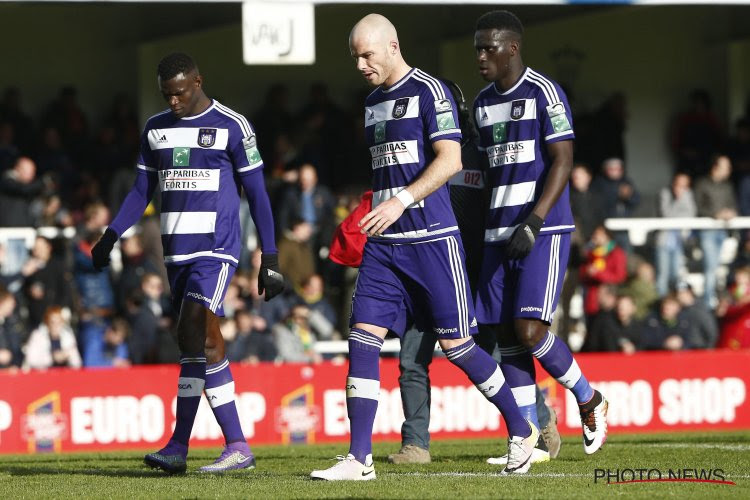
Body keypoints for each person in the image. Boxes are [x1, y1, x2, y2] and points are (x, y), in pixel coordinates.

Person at [310, 14, 536, 481]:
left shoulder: (430, 92)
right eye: (355, 56)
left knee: (458, 346)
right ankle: (360, 458)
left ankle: (522, 429)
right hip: (385, 246)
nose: (360, 65)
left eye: (367, 54)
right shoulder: (372, 102)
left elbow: (451, 160)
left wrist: (401, 200)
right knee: (362, 338)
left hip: (433, 241)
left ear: (392, 46)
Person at [90, 52, 285, 474]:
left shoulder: (233, 125)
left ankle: (213, 445)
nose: (173, 101)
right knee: (196, 343)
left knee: (195, 329)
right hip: (175, 253)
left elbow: (258, 194)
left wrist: (269, 256)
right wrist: (110, 235)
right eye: (167, 95)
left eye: (179, 93)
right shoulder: (155, 129)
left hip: (215, 250)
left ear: (197, 81)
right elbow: (142, 190)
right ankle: (199, 446)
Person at [387, 79, 560, 467]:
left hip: (474, 273)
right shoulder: (410, 159)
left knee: (488, 354)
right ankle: (416, 445)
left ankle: (539, 418)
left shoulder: (483, 154)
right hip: (425, 270)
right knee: (412, 359)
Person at [471, 10, 608, 457]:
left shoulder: (544, 92)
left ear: (512, 47)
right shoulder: (481, 102)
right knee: (506, 336)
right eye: (477, 49)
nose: (480, 57)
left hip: (542, 229)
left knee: (530, 330)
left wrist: (534, 220)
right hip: (496, 232)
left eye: (487, 48)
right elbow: (489, 172)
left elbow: (563, 161)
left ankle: (589, 398)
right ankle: (526, 438)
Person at [694, 154, 738, 309]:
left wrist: (731, 213)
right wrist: (715, 214)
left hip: (723, 231)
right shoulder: (702, 184)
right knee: (710, 267)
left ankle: (715, 299)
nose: (729, 170)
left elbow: (733, 205)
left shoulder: (727, 186)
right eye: (726, 166)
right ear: (715, 167)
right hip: (707, 231)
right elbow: (698, 208)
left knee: (716, 267)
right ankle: (708, 302)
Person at [655, 172, 696, 296]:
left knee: (676, 273)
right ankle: (662, 299)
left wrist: (681, 198)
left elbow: (691, 214)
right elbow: (665, 214)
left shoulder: (688, 195)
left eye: (684, 186)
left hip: (679, 240)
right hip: (664, 240)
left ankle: (674, 299)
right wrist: (678, 200)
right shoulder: (665, 193)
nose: (680, 188)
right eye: (678, 184)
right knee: (663, 273)